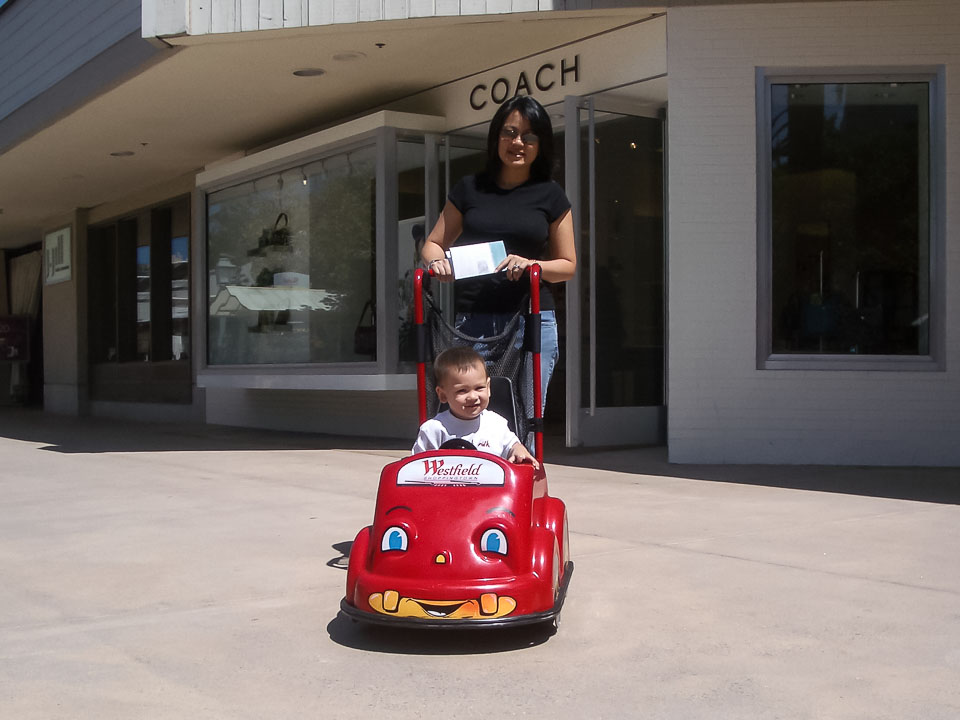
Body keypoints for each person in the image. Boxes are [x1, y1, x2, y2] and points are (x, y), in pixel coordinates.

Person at [419, 95, 576, 425]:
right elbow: (433, 244)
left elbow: (567, 265)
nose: (518, 143)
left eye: (529, 136)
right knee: (468, 418)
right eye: (509, 132)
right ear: (496, 137)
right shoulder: (470, 188)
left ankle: (528, 461)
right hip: (474, 321)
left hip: (531, 318)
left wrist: (532, 265)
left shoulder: (551, 194)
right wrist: (436, 263)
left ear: (541, 144)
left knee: (527, 421)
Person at [412, 347, 539, 469]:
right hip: (444, 483)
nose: (473, 397)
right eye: (462, 390)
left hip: (491, 483)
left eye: (479, 388)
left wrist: (518, 450)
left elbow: (512, 445)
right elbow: (416, 466)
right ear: (443, 395)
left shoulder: (496, 424)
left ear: (488, 387)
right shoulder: (433, 430)